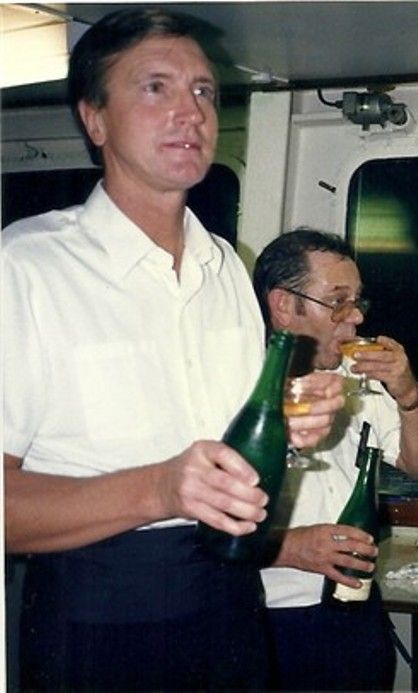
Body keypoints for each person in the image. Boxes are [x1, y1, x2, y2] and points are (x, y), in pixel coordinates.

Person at [1, 10, 343, 690]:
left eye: (205, 91)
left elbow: (234, 456)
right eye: (155, 87)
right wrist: (159, 488)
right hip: (94, 615)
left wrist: (288, 424)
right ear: (94, 119)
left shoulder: (227, 269)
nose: (190, 110)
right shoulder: (26, 268)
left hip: (232, 603)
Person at [253, 228, 418, 691]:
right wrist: (293, 547)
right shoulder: (237, 384)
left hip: (354, 608)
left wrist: (407, 393)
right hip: (267, 619)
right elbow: (194, 532)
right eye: (337, 301)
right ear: (283, 305)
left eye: (357, 301)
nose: (355, 317)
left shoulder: (353, 377)